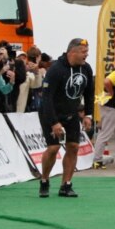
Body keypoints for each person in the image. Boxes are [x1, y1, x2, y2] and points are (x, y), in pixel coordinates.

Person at [37, 38, 94, 197]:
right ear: (72, 52)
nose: (86, 55)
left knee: (74, 147)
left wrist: (88, 115)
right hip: (51, 112)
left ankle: (66, 185)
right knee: (53, 148)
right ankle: (44, 179)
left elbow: (89, 93)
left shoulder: (86, 69)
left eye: (87, 52)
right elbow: (46, 98)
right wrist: (54, 122)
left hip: (71, 114)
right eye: (84, 52)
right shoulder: (56, 69)